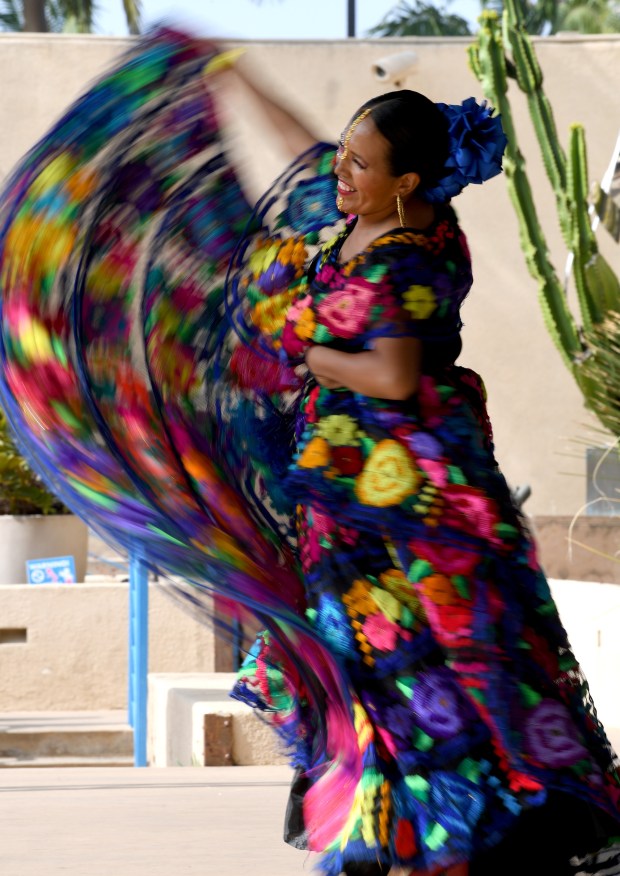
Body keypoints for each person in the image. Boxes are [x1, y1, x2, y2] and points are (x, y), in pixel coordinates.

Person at [0, 29, 618, 876]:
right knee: (366, 656)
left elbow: (393, 375)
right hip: (345, 493)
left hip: (407, 502)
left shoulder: (411, 256)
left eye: (361, 163)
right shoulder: (360, 216)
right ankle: (395, 822)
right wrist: (232, 73)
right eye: (347, 153)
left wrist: (311, 356)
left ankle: (458, 828)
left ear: (407, 182)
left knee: (427, 656)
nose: (341, 170)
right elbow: (301, 143)